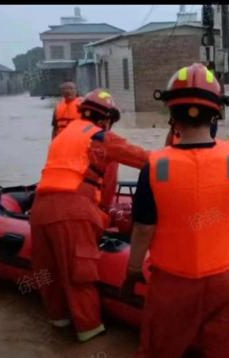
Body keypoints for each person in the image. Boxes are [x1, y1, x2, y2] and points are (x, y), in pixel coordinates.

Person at [122, 63, 229, 358]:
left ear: (172, 115)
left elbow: (144, 229)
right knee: (223, 357)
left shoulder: (155, 165)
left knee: (156, 355)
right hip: (225, 279)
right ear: (215, 115)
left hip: (172, 282)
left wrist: (133, 270)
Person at [30, 88, 149, 343]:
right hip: (72, 212)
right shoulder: (101, 139)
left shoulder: (62, 136)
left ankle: (58, 321)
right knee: (79, 274)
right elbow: (145, 160)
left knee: (47, 272)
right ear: (106, 119)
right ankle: (89, 330)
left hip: (40, 210)